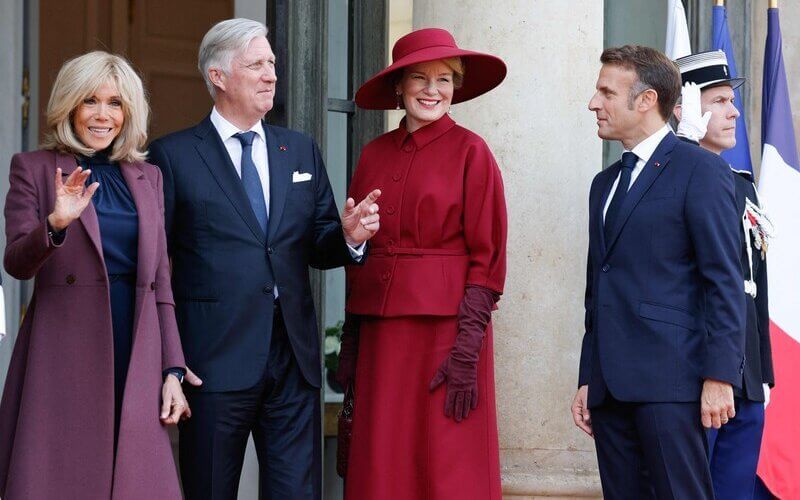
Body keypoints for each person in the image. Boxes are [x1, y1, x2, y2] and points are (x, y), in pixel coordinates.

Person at [147, 18, 381, 499]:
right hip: (212, 360)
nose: (271, 74)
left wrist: (349, 236)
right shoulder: (171, 157)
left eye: (272, 63)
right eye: (257, 64)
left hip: (292, 362)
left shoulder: (299, 149)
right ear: (218, 76)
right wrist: (167, 358)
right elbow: (154, 268)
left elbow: (319, 244)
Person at [0, 51, 188, 499]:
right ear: (69, 106)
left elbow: (161, 283)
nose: (103, 115)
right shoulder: (35, 169)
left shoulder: (149, 177)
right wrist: (55, 225)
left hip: (135, 343)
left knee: (137, 481)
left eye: (116, 103)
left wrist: (173, 369)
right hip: (64, 346)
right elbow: (16, 263)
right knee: (63, 477)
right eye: (90, 101)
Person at [337, 28, 508, 499]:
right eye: (420, 78)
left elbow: (487, 260)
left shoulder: (473, 152)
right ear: (399, 86)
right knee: (381, 463)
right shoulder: (373, 154)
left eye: (445, 80)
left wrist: (467, 350)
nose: (433, 90)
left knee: (445, 464)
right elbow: (359, 251)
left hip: (446, 335)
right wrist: (351, 345)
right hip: (381, 335)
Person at [571, 45, 746, 499]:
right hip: (610, 391)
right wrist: (589, 377)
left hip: (673, 386)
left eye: (607, 92)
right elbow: (598, 289)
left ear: (647, 100)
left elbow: (724, 281)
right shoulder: (603, 185)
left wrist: (720, 377)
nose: (594, 103)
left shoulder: (700, 171)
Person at [674, 50, 775, 500]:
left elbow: (754, 287)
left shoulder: (741, 182)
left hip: (745, 375)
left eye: (730, 100)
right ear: (686, 109)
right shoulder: (670, 179)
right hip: (697, 375)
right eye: (717, 101)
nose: (733, 111)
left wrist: (763, 372)